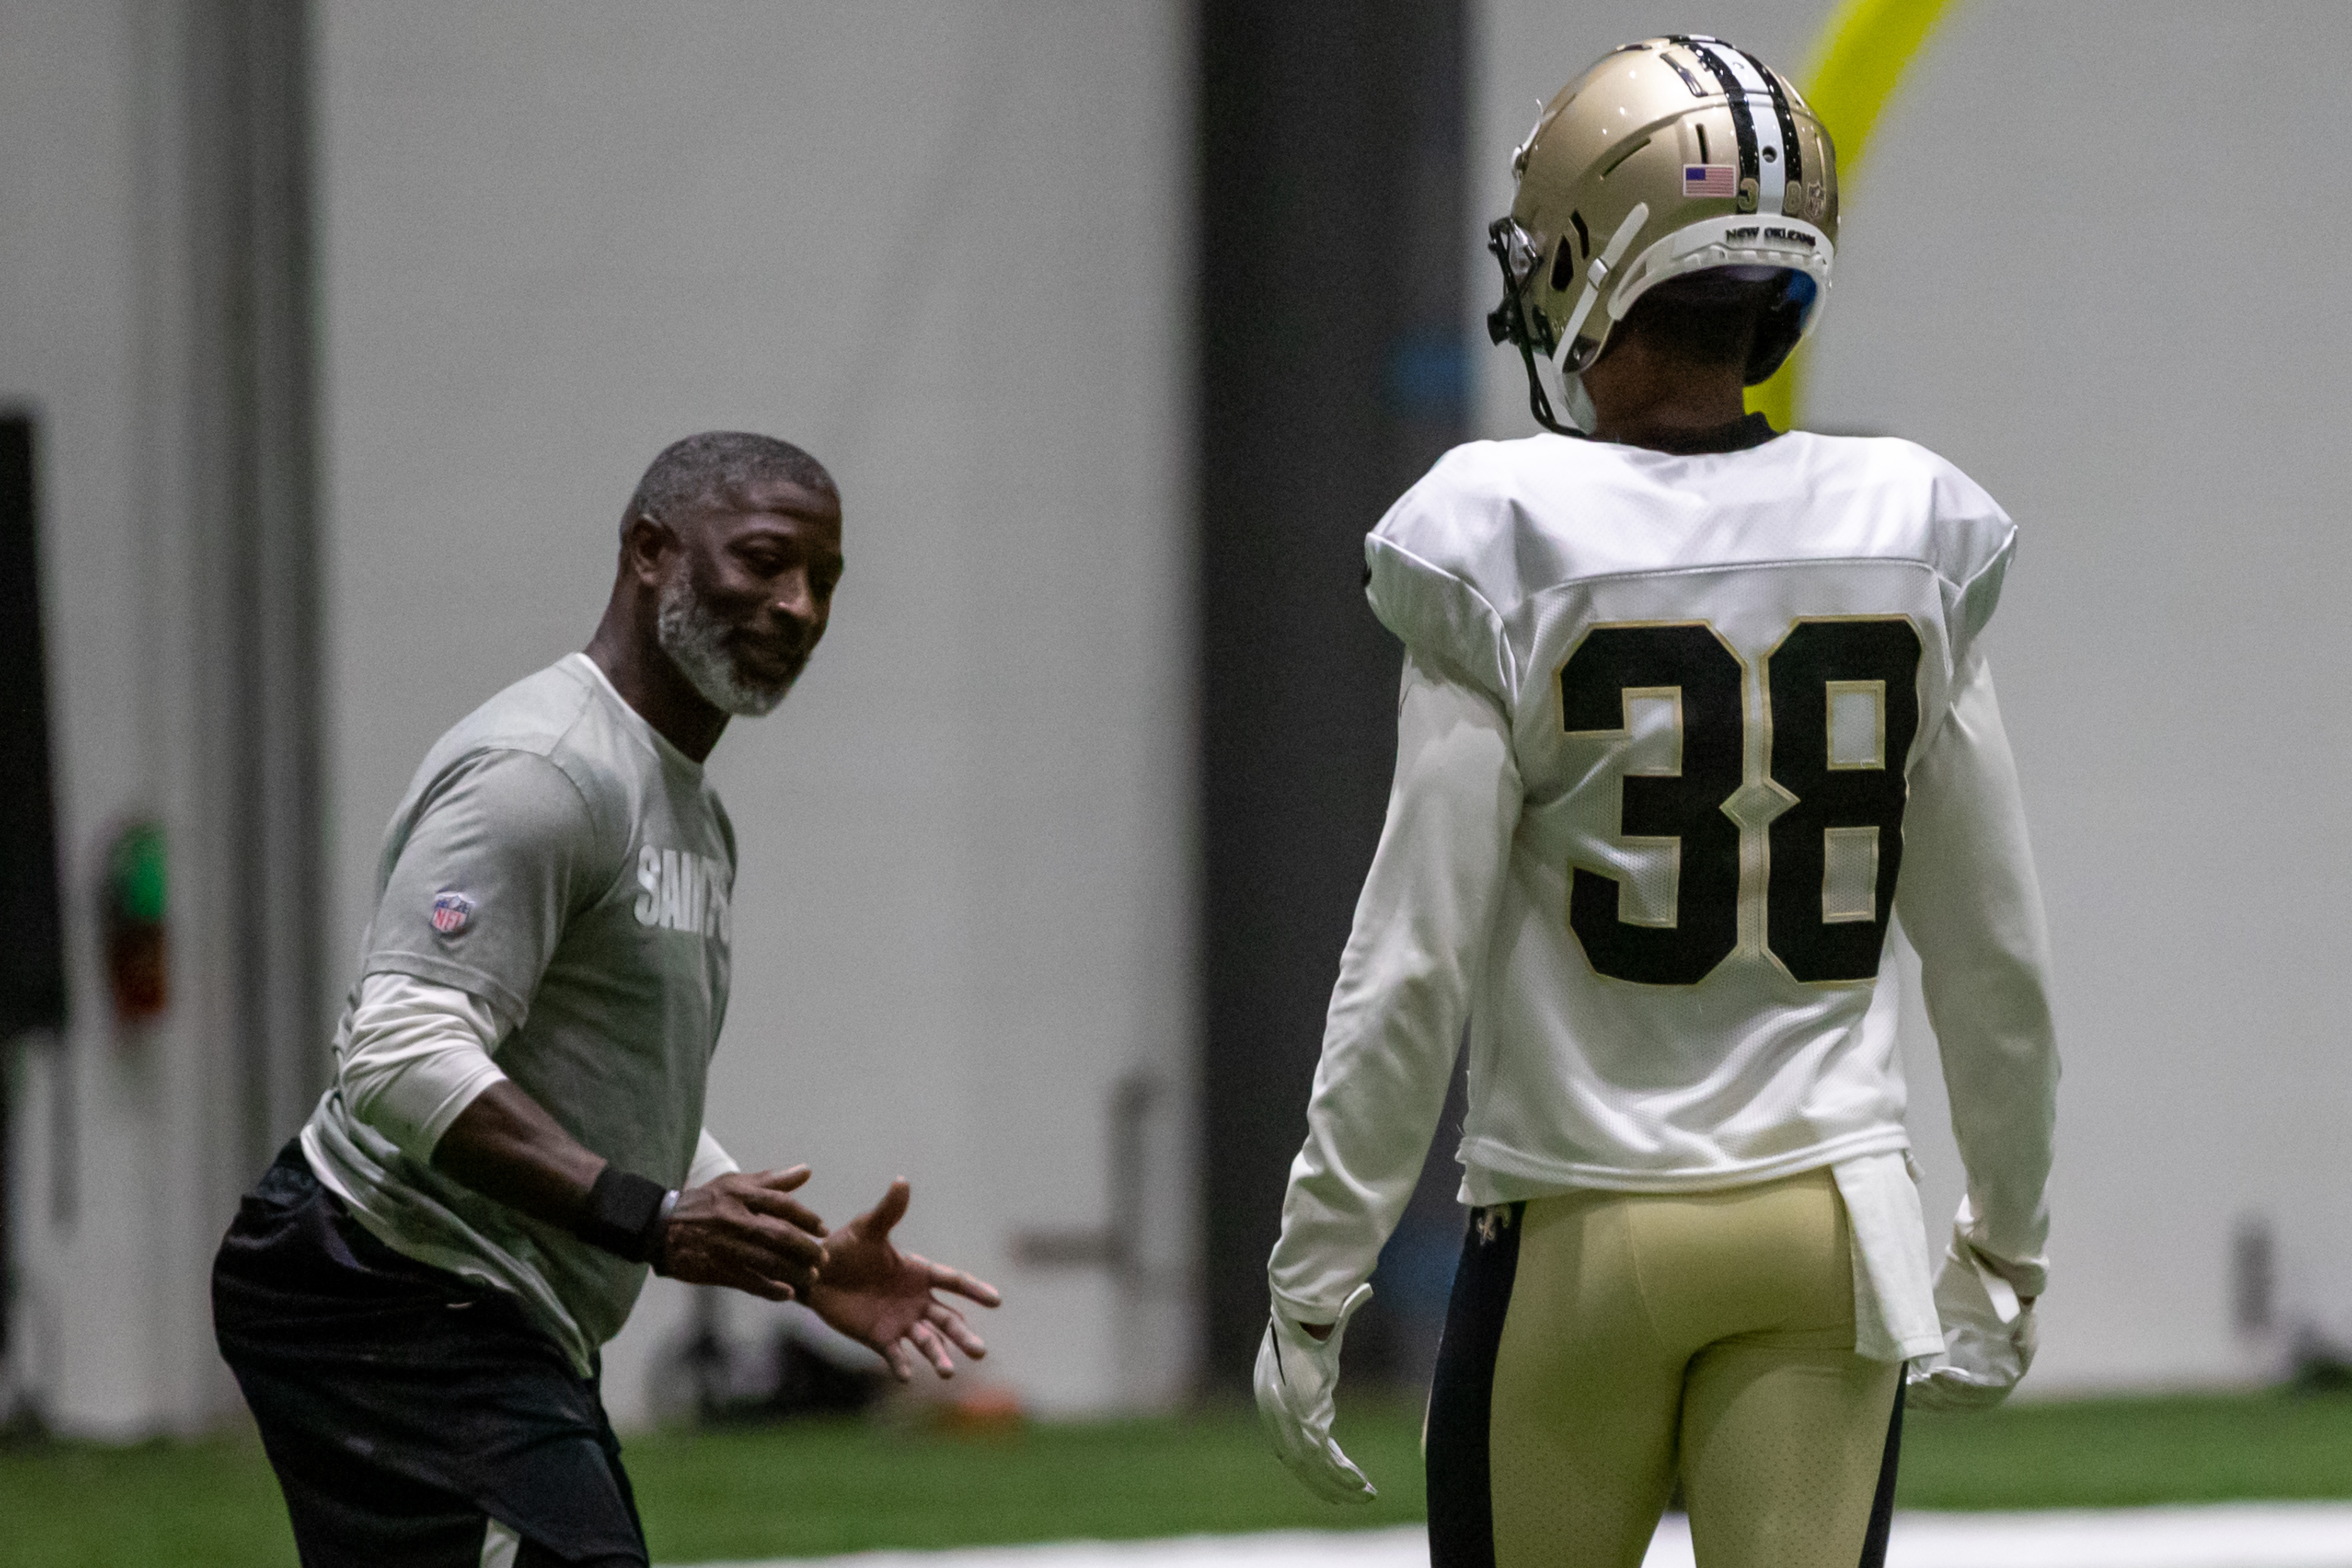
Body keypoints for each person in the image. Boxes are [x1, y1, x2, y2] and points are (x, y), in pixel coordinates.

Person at [1252, 36, 2058, 1568]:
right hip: (1829, 1225)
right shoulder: (1906, 529)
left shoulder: (1496, 533)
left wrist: (1318, 1267)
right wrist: (2005, 1244)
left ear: (1587, 257)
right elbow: (1992, 955)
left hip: (1575, 1223)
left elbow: (1409, 962)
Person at [213, 432, 1001, 1568]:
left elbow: (607, 1086)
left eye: (823, 578)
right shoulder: (546, 772)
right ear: (651, 551)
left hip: (485, 1305)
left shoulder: (688, 809)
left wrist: (800, 1258)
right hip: (383, 1285)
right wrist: (655, 1220)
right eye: (765, 562)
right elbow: (394, 1051)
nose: (799, 607)